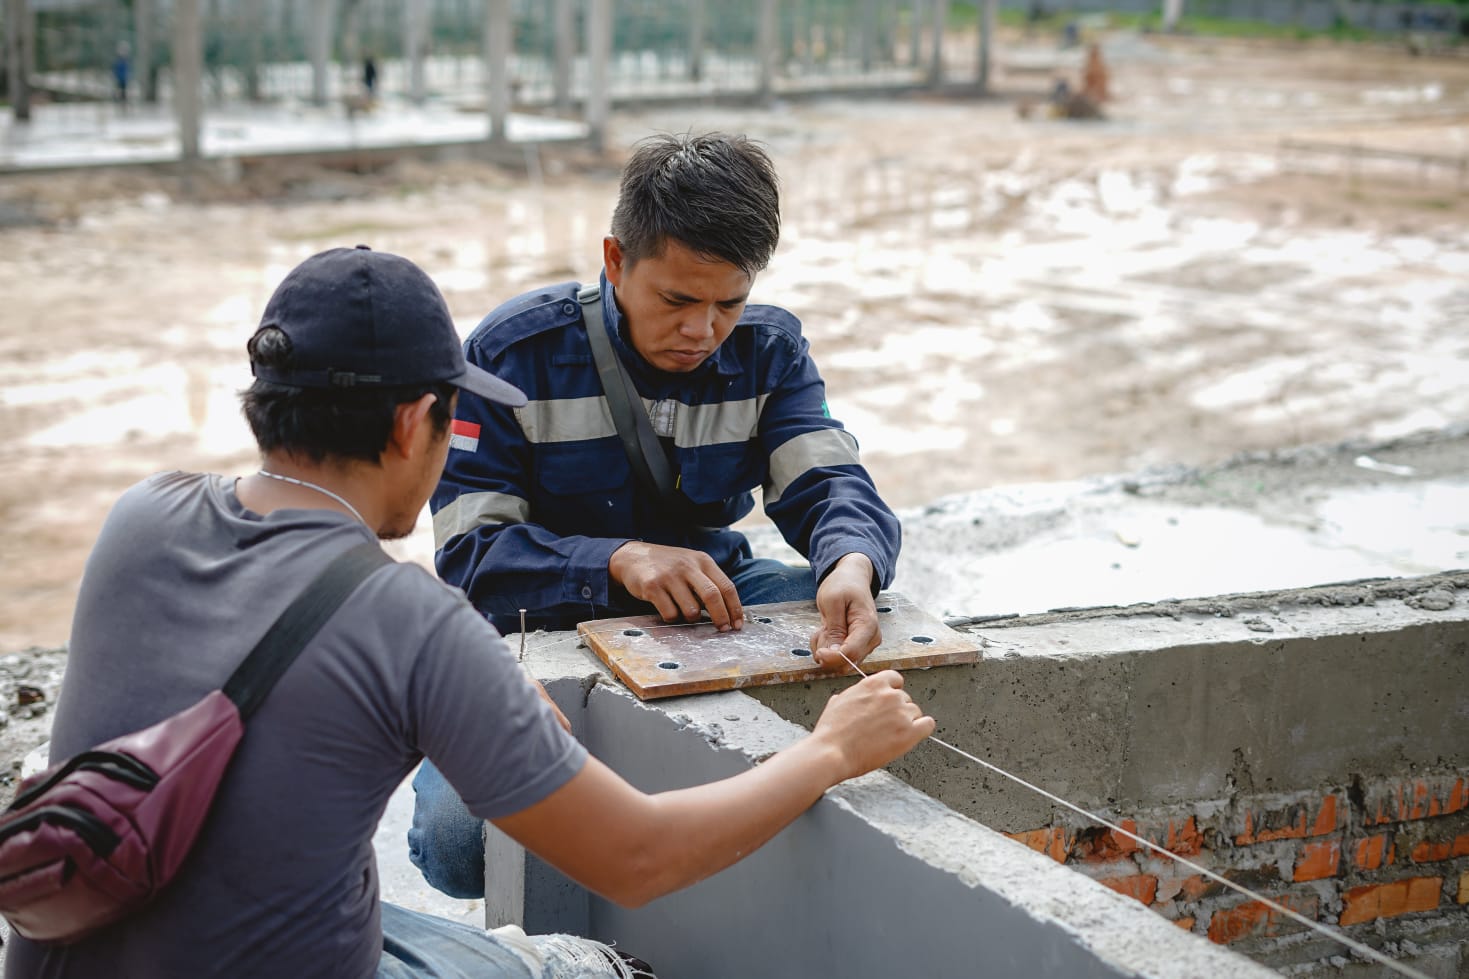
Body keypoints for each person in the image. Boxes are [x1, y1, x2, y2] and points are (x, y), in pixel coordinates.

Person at [5, 246, 934, 978]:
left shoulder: (139, 516)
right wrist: (830, 750)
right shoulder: (409, 619)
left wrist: (465, 695)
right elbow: (638, 858)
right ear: (414, 423)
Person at [412, 132, 904, 899]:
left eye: (728, 303)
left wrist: (851, 562)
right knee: (460, 844)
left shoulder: (769, 351)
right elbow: (472, 554)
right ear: (615, 260)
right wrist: (616, 558)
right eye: (676, 300)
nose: (702, 331)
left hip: (711, 601)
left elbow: (830, 477)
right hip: (531, 626)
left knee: (859, 622)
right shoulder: (511, 355)